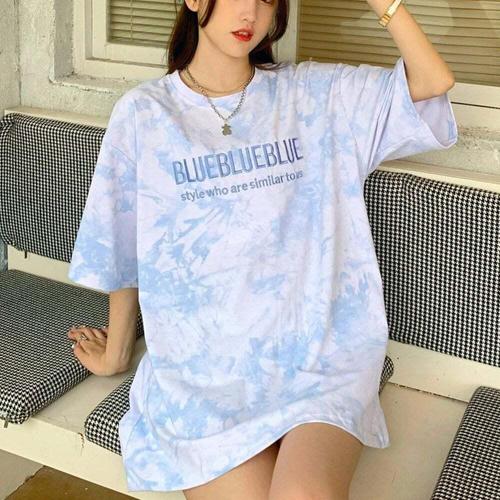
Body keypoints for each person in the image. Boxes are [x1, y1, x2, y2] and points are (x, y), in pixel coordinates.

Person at [67, 0, 458, 497]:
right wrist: (118, 350)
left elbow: (432, 80)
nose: (250, 12)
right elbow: (125, 242)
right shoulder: (144, 113)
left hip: (318, 360)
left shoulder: (314, 96)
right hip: (204, 375)